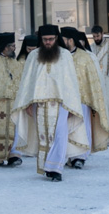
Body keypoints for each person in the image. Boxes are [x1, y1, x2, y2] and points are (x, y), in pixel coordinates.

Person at [12, 24, 88, 181]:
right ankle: (46, 166)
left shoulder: (65, 55)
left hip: (60, 103)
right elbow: (27, 82)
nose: (48, 42)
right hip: (38, 104)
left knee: (59, 134)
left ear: (56, 38)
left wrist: (72, 106)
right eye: (45, 39)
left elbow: (71, 83)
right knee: (44, 135)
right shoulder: (33, 56)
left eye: (51, 39)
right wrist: (26, 104)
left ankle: (56, 168)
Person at [60, 27, 109, 168]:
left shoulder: (85, 57)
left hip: (82, 100)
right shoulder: (59, 56)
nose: (61, 41)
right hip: (63, 101)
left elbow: (94, 80)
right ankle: (67, 155)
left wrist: (94, 99)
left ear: (70, 40)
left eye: (63, 39)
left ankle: (80, 157)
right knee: (65, 129)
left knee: (82, 129)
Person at [0, 32, 24, 167]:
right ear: (4, 46)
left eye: (14, 46)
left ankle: (13, 155)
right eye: (11, 46)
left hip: (14, 102)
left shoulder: (16, 63)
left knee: (14, 128)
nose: (14, 49)